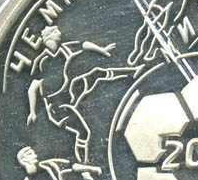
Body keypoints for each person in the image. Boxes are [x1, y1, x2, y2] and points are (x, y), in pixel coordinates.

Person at [26, 25, 128, 164]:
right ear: (48, 37)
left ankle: (132, 72)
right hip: (56, 104)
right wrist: (32, 112)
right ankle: (83, 165)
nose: (59, 33)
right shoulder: (42, 61)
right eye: (55, 31)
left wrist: (102, 50)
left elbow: (84, 45)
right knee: (83, 133)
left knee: (97, 73)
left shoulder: (65, 49)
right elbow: (32, 88)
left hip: (70, 92)